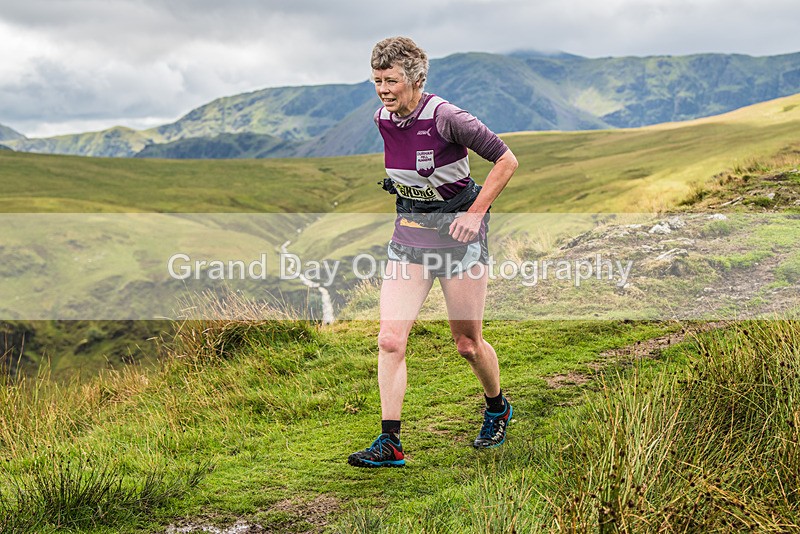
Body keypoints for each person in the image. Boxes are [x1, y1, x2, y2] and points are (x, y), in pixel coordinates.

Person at [348, 36, 519, 468]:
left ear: (416, 80)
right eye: (377, 81)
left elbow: (506, 161)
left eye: (391, 81)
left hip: (460, 239)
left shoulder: (447, 118)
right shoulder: (381, 118)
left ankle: (497, 406)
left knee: (466, 343)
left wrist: (477, 215)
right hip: (410, 236)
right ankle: (391, 443)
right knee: (389, 339)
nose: (384, 90)